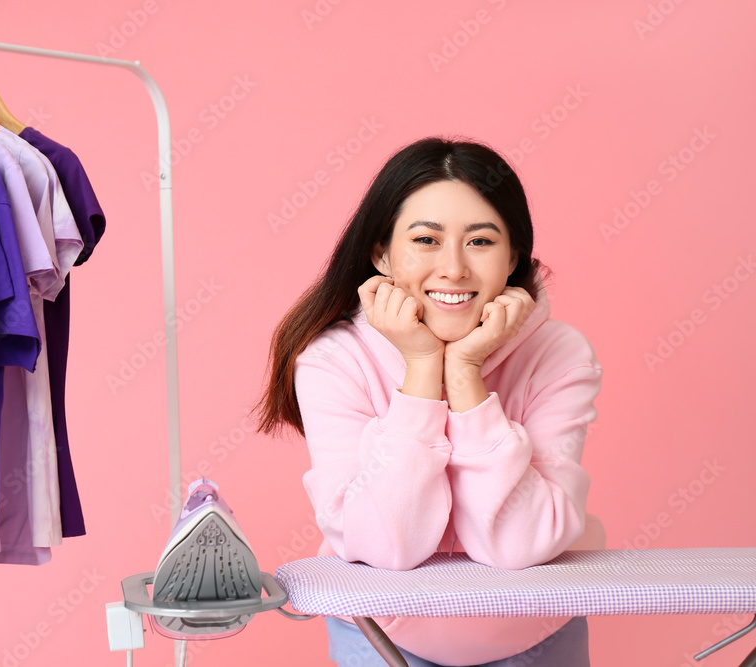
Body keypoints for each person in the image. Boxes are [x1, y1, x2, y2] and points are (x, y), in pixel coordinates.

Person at [254, 137, 604, 666]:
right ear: (381, 254)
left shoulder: (560, 354)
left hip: (537, 636)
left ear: (513, 257)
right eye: (426, 240)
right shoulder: (332, 361)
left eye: (481, 242)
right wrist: (422, 371)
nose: (454, 269)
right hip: (380, 637)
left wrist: (465, 376)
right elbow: (384, 546)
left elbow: (522, 544)